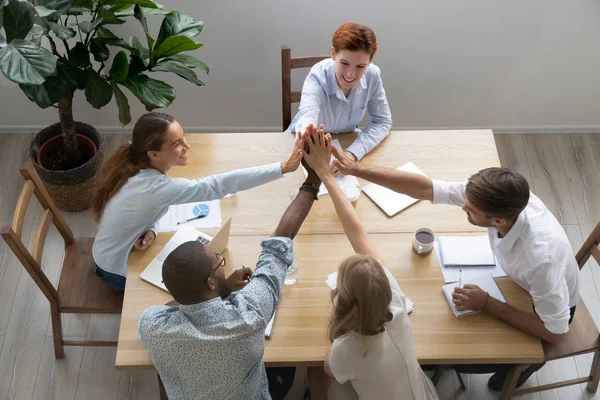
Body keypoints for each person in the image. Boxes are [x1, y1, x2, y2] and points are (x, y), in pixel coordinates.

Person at [330, 149, 580, 391]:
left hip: (548, 311)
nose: (463, 207)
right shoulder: (504, 200)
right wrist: (356, 169)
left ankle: (526, 365)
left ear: (498, 221)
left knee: (453, 358)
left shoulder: (541, 260)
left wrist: (488, 304)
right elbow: (426, 188)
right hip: (524, 280)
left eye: (470, 209)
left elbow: (557, 332)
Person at [137, 135, 322, 400]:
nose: (221, 264)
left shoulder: (154, 328)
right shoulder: (249, 314)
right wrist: (314, 179)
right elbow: (278, 245)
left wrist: (221, 288)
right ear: (210, 283)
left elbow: (174, 304)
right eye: (218, 263)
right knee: (288, 361)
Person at [92, 112, 304, 291]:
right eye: (177, 144)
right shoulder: (156, 187)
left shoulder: (135, 166)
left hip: (112, 251)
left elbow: (143, 209)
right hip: (115, 270)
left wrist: (151, 228)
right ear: (153, 154)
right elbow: (217, 185)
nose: (188, 146)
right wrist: (282, 167)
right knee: (193, 291)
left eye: (184, 138)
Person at [301, 126, 438, 400]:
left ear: (344, 300)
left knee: (313, 373)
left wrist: (322, 174)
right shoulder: (396, 304)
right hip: (422, 393)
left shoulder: (347, 350)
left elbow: (329, 368)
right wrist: (326, 174)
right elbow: (357, 233)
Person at [286, 22, 392, 164]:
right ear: (333, 54)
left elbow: (382, 121)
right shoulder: (318, 74)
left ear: (370, 61)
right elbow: (308, 114)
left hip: (346, 141)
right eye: (344, 63)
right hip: (305, 144)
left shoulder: (373, 74)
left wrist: (353, 153)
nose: (350, 75)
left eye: (360, 66)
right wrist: (306, 137)